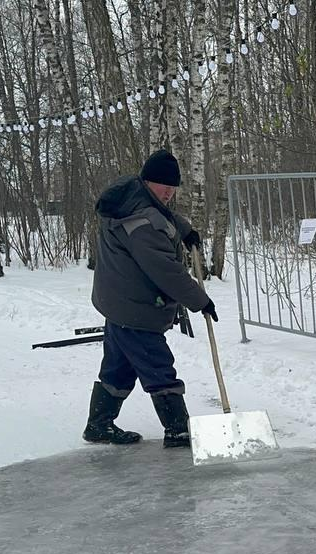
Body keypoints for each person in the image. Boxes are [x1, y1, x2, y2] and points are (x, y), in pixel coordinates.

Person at [82, 149, 217, 449]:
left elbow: (163, 215)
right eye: (163, 185)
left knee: (119, 366)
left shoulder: (131, 197)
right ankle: (178, 430)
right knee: (157, 365)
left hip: (119, 303)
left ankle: (99, 424)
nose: (168, 192)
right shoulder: (141, 223)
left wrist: (185, 231)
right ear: (147, 181)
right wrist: (200, 300)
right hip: (136, 308)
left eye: (173, 187)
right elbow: (165, 270)